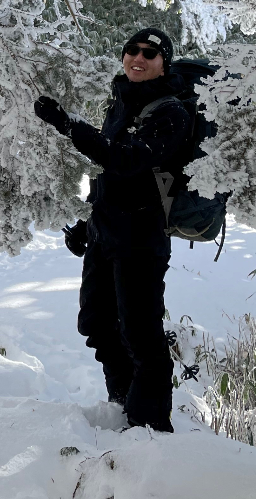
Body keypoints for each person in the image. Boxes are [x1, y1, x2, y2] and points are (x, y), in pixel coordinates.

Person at [33, 28, 190, 433]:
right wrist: (88, 227)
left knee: (142, 337)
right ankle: (123, 408)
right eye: (133, 50)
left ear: (163, 62)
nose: (139, 58)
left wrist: (68, 125)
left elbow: (125, 161)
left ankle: (150, 429)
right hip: (107, 234)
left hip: (141, 240)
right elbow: (112, 178)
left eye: (150, 53)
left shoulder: (171, 112)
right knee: (98, 325)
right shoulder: (120, 101)